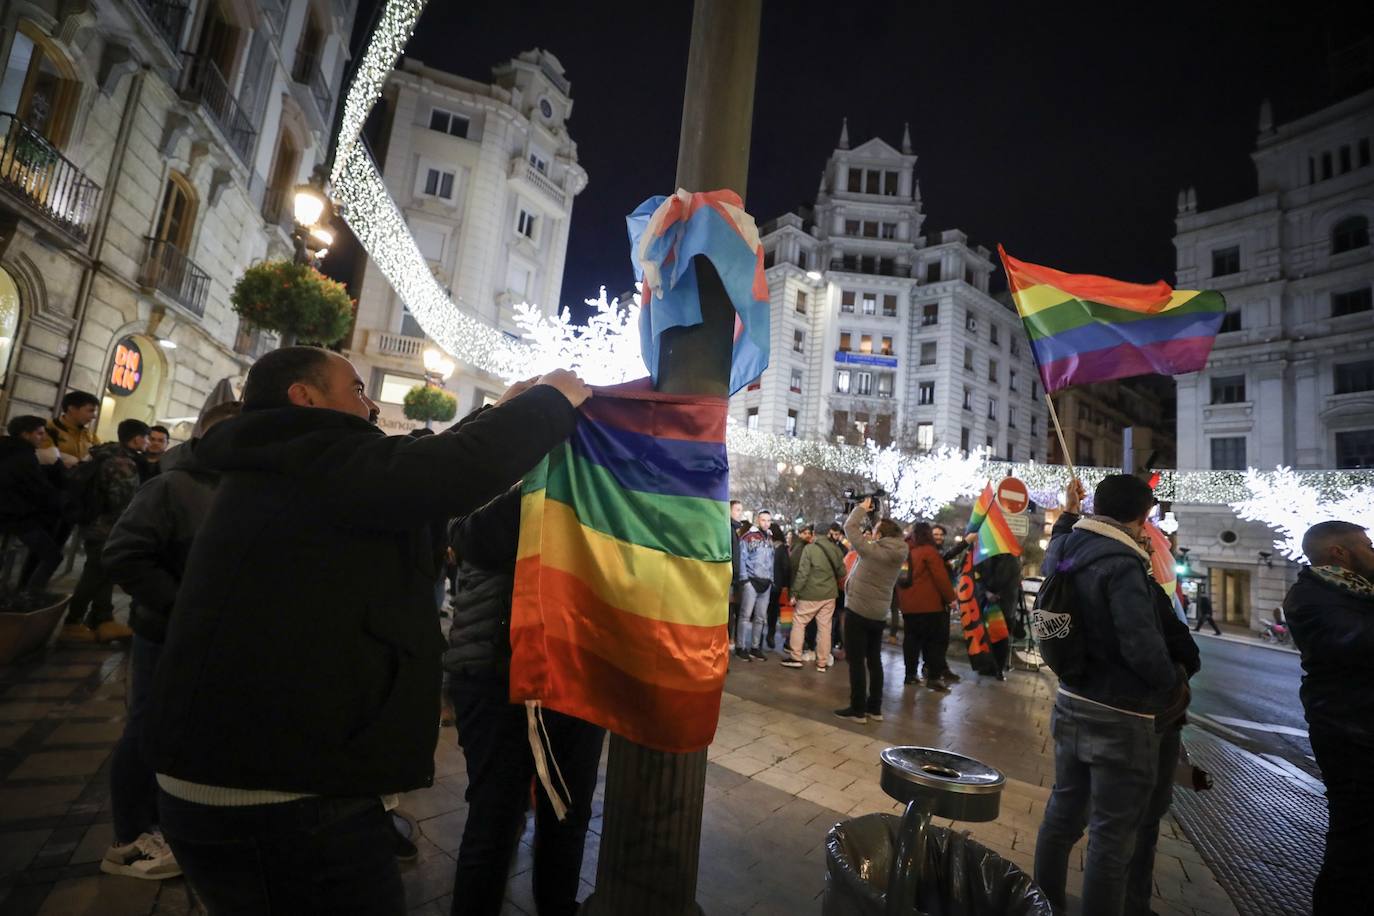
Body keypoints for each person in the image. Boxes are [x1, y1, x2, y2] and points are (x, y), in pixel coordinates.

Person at [144, 347, 590, 914]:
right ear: (303, 397)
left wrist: (500, 409)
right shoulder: (308, 454)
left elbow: (415, 471)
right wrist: (550, 402)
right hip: (275, 796)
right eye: (357, 389)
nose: (373, 403)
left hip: (256, 780)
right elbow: (442, 474)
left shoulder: (288, 460)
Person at [1033, 475, 1193, 916]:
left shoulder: (1066, 548)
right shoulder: (1122, 562)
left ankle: (1043, 904)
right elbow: (1141, 645)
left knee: (1062, 815)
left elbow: (1061, 535)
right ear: (1143, 517)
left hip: (1071, 697)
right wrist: (1172, 683)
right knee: (1112, 834)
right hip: (1121, 712)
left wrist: (1068, 510)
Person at [444, 486, 605, 916]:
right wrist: (550, 464)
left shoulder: (600, 464)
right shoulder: (498, 449)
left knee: (568, 819)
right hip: (496, 673)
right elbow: (473, 536)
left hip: (574, 672)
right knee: (495, 823)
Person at [101, 401, 243, 881]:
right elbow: (124, 554)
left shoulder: (235, 483)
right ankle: (130, 838)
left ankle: (172, 825)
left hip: (211, 638)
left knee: (184, 731)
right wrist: (185, 607)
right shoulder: (172, 485)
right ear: (208, 435)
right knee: (148, 728)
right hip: (167, 633)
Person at [1283, 520, 1374, 915]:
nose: (1373, 551)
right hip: (1351, 736)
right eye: (1367, 545)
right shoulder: (1312, 598)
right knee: (1354, 846)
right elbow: (1360, 644)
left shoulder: (1355, 592)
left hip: (1357, 727)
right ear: (1340, 553)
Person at [62, 419, 149, 643]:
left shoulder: (104, 454)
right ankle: (72, 622)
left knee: (104, 572)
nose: (148, 442)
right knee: (94, 575)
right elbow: (124, 501)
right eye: (146, 437)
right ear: (137, 438)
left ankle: (103, 619)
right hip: (107, 528)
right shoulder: (122, 462)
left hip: (94, 524)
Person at [834, 499, 908, 723]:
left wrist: (861, 509)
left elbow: (849, 527)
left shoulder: (872, 551)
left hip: (858, 610)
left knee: (856, 661)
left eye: (875, 531)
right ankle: (875, 708)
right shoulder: (898, 552)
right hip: (879, 613)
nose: (873, 533)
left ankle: (858, 710)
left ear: (880, 535)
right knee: (874, 661)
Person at [0, 416, 67, 592]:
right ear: (25, 434)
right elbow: (39, 489)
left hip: (10, 513)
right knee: (52, 556)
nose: (43, 438)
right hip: (16, 516)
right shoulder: (24, 457)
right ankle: (31, 595)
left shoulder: (7, 449)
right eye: (39, 433)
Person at [897, 522, 957, 690]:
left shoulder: (905, 550)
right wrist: (951, 598)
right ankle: (934, 678)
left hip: (908, 605)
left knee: (911, 640)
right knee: (934, 642)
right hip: (929, 606)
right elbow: (941, 578)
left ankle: (910, 675)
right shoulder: (929, 551)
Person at [782, 523, 844, 672]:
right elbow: (842, 572)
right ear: (828, 533)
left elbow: (802, 574)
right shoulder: (835, 549)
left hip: (810, 594)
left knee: (799, 622)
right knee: (825, 628)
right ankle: (822, 662)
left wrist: (795, 593)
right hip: (829, 595)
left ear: (815, 533)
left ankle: (796, 657)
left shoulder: (809, 549)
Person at [735, 509, 774, 661]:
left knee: (760, 617)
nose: (766, 523)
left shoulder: (769, 537)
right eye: (763, 520)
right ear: (758, 520)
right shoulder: (748, 537)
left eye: (768, 520)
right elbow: (742, 557)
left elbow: (771, 559)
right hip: (751, 581)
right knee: (745, 616)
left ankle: (755, 647)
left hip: (766, 583)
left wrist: (771, 579)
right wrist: (744, 579)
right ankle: (740, 647)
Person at [47, 390, 101, 464]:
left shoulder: (91, 436)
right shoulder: (47, 429)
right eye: (90, 411)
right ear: (72, 408)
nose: (94, 416)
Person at [766, 523, 791, 649]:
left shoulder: (766, 545)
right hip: (777, 585)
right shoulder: (782, 548)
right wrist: (785, 584)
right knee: (773, 611)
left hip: (765, 582)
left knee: (763, 611)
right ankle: (770, 635)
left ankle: (760, 638)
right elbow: (786, 567)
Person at [728, 500, 743, 651]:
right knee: (729, 611)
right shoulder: (729, 529)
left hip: (734, 578)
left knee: (732, 610)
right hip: (731, 578)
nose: (740, 513)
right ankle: (727, 641)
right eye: (737, 510)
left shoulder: (734, 530)